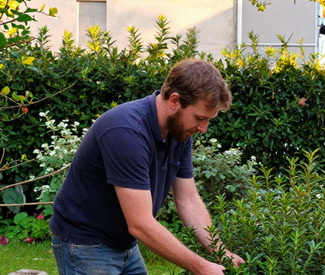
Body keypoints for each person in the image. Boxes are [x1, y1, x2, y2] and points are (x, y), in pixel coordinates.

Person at [50, 59, 244, 275]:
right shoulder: (126, 131)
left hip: (125, 242)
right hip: (85, 242)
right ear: (174, 101)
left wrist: (220, 252)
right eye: (199, 118)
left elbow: (188, 200)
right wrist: (201, 267)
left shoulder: (180, 133)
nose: (204, 128)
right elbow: (140, 223)